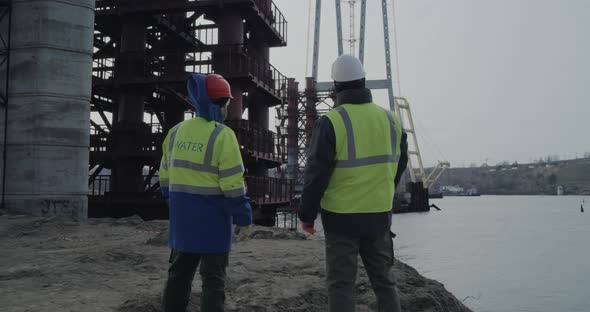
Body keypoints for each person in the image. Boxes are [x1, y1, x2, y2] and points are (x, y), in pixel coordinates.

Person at [299, 54, 408, 312]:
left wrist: (306, 214)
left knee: (341, 284)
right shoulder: (392, 120)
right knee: (384, 282)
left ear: (335, 87)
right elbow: (398, 165)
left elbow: (316, 174)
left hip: (341, 218)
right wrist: (384, 191)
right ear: (364, 81)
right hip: (379, 215)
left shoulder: (332, 121)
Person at [159, 73, 252, 312]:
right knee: (213, 279)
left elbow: (165, 177)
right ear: (222, 105)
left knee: (179, 274)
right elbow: (233, 186)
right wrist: (244, 218)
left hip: (183, 219)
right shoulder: (223, 136)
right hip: (214, 221)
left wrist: (175, 203)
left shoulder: (176, 132)